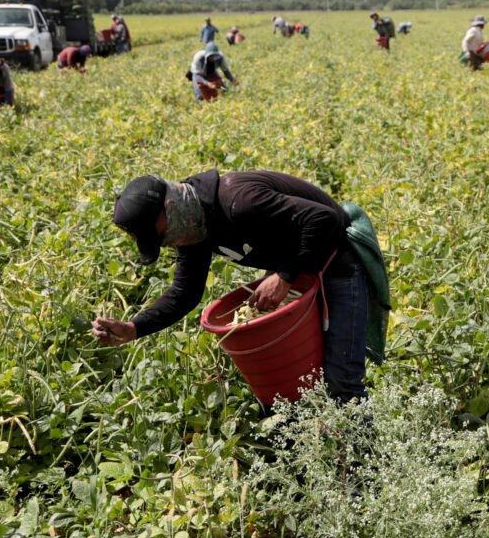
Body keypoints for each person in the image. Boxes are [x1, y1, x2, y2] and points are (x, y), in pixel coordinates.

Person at [92, 170, 389, 404]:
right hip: (304, 272)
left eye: (164, 235)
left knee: (342, 382)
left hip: (338, 264)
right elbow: (185, 293)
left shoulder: (239, 202)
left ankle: (365, 477)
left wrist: (284, 276)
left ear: (170, 209)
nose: (170, 243)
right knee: (300, 380)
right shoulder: (194, 228)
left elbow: (327, 219)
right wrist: (134, 328)